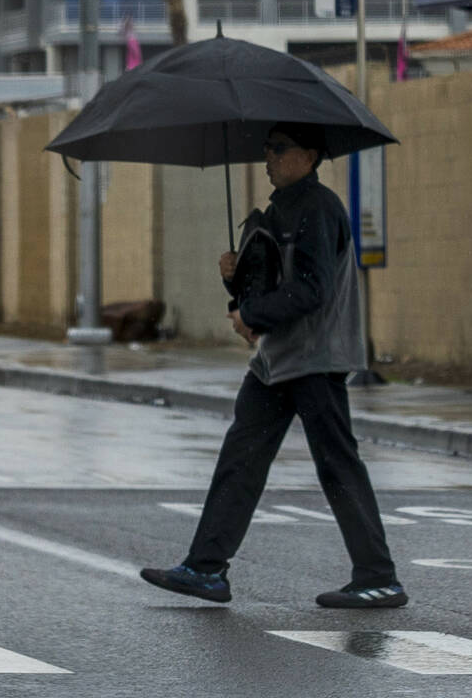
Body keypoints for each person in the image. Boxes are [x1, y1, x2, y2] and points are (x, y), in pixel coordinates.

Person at [141, 122, 408, 609]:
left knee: (336, 464)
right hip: (277, 359)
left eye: (278, 149)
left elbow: (312, 289)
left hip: (315, 357)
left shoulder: (319, 208)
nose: (268, 157)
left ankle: (379, 577)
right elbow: (265, 282)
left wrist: (252, 315)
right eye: (267, 148)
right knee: (240, 460)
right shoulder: (279, 209)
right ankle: (206, 569)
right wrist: (233, 278)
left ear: (308, 156)